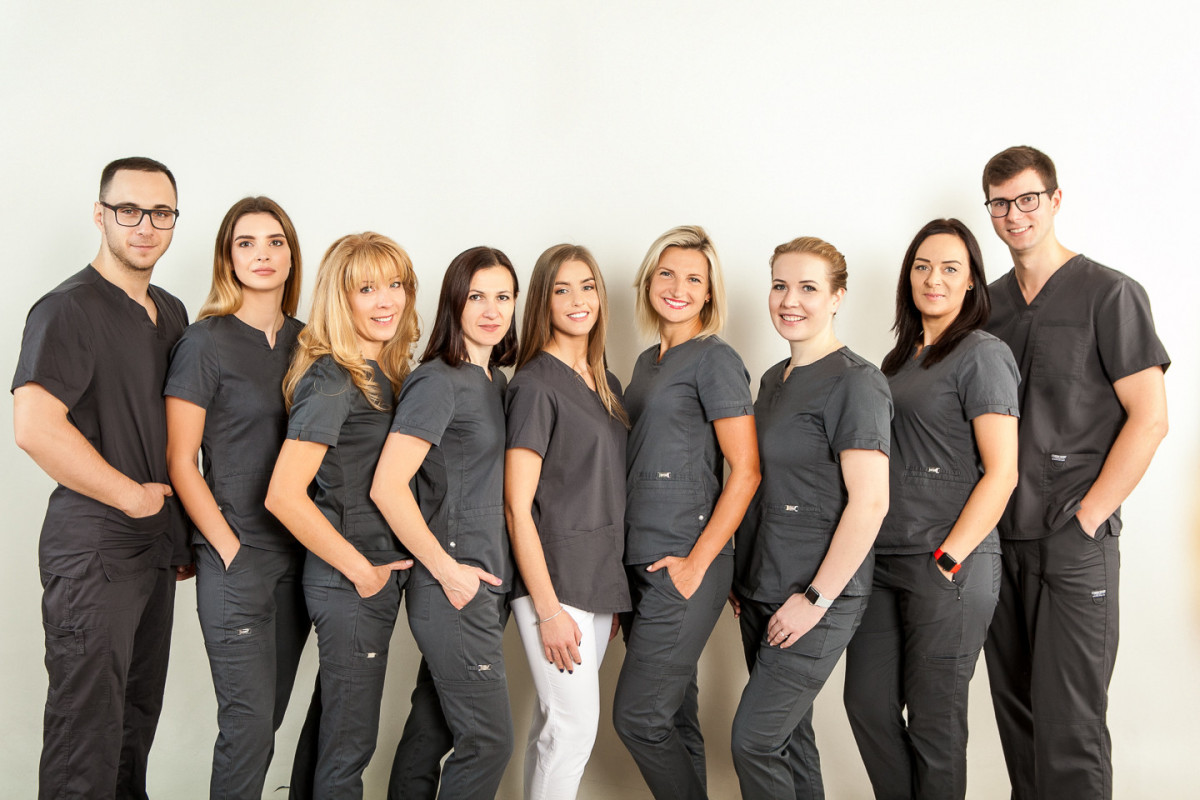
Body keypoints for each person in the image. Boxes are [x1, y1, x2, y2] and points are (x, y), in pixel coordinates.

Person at [979, 146, 1169, 799]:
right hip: (998, 541)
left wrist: (1087, 520)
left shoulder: (1110, 294)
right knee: (1019, 725)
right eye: (1000, 203)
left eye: (1027, 199)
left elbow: (1150, 419)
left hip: (1073, 539)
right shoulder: (986, 308)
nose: (1014, 214)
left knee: (1070, 729)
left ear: (1055, 200)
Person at [12, 156, 191, 798]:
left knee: (133, 728)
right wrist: (131, 497)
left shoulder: (170, 312)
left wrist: (173, 532)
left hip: (152, 550)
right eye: (128, 210)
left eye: (161, 213)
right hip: (93, 550)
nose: (145, 226)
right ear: (100, 214)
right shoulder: (67, 309)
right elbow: (34, 426)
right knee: (84, 735)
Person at [843, 219, 1019, 799]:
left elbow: (1003, 471)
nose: (933, 279)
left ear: (971, 282)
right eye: (922, 267)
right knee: (866, 704)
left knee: (934, 723)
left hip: (947, 565)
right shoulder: (896, 362)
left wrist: (949, 558)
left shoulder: (982, 354)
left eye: (949, 268)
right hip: (883, 559)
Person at [729, 236, 891, 799]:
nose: (789, 300)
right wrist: (741, 575)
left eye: (807, 288)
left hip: (816, 594)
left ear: (837, 297)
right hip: (761, 587)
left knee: (754, 741)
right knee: (789, 742)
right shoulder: (772, 379)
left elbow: (870, 502)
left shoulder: (857, 382)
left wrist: (816, 599)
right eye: (779, 285)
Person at [164, 196, 311, 799]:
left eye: (275, 242)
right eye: (245, 243)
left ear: (291, 255)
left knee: (266, 722)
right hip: (237, 558)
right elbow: (181, 460)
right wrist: (228, 548)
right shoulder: (205, 342)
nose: (262, 254)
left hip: (302, 560)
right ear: (228, 257)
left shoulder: (311, 341)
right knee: (246, 728)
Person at [264, 232, 419, 799]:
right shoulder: (333, 378)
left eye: (395, 285)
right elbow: (283, 495)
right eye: (367, 289)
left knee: (331, 735)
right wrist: (362, 571)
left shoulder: (383, 374)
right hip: (350, 582)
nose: (386, 300)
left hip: (368, 579)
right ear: (340, 297)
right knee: (349, 748)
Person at [612, 225, 761, 800]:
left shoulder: (715, 360)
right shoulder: (646, 362)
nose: (678, 288)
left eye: (694, 279)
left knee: (639, 717)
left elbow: (745, 470)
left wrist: (698, 563)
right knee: (672, 716)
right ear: (648, 281)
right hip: (639, 562)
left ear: (709, 292)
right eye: (667, 274)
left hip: (684, 560)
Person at [372, 246, 519, 800]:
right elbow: (387, 486)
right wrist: (448, 571)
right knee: (488, 741)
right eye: (476, 296)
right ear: (454, 302)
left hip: (486, 584)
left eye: (503, 296)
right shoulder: (437, 381)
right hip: (453, 585)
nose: (491, 309)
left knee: (430, 729)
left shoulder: (496, 382)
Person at [504, 244, 631, 799]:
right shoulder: (535, 385)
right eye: (562, 289)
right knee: (572, 730)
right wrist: (549, 609)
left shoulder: (606, 383)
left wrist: (611, 596)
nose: (578, 300)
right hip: (554, 584)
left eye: (587, 286)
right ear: (543, 301)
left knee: (554, 728)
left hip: (598, 583)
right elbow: (516, 506)